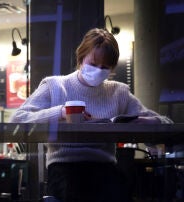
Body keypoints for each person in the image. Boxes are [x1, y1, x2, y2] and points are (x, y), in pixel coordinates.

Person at [10, 28, 173, 202]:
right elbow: (17, 120)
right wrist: (61, 112)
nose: (98, 70)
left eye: (105, 67)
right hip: (65, 167)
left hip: (105, 168)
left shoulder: (118, 92)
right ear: (81, 59)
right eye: (94, 64)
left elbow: (166, 124)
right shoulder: (55, 86)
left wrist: (147, 122)